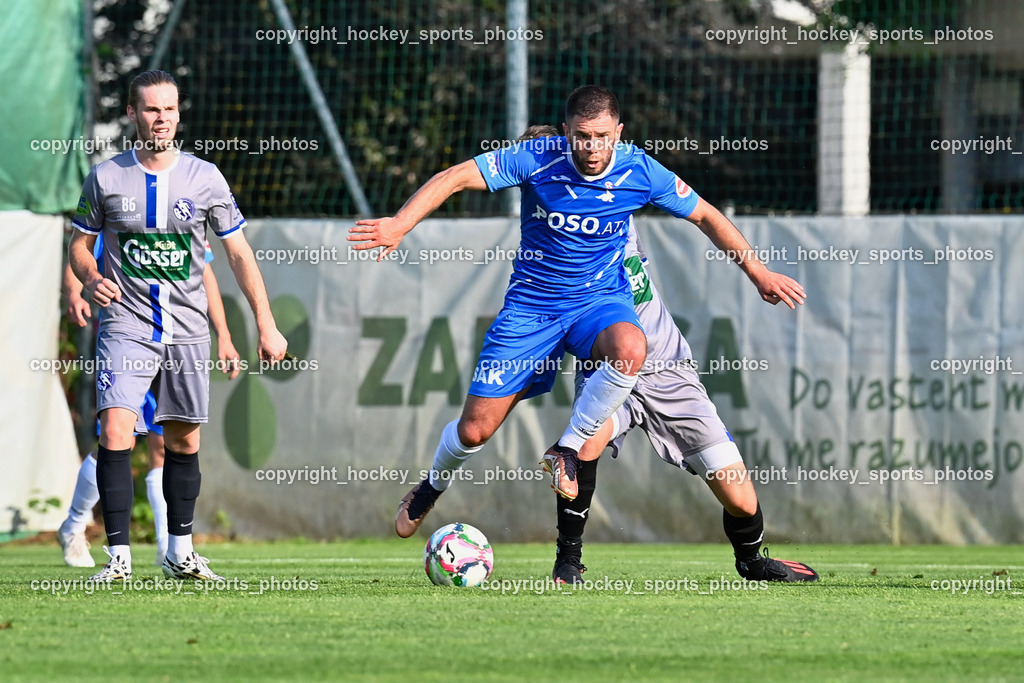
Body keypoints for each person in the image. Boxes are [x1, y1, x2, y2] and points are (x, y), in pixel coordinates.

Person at [348, 86, 804, 539]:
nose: (592, 147)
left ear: (618, 133)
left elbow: (705, 215)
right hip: (533, 309)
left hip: (598, 303)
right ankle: (432, 485)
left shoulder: (639, 170)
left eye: (602, 136)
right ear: (566, 133)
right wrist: (399, 224)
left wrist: (759, 273)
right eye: (582, 136)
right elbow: (455, 176)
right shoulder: (537, 157)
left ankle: (566, 451)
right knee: (474, 431)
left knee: (630, 345)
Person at [511, 125, 818, 585]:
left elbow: (706, 215)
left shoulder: (615, 191)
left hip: (667, 368)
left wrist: (757, 271)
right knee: (582, 445)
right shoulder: (544, 246)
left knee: (740, 498)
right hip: (609, 365)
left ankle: (753, 561)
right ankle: (567, 563)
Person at [68, 69, 287, 582]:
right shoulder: (105, 177)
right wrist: (91, 275)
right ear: (132, 113)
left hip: (187, 330)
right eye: (150, 109)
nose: (161, 118)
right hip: (125, 323)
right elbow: (78, 246)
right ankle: (118, 559)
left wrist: (265, 322)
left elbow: (236, 253)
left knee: (183, 443)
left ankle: (179, 552)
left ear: (178, 114)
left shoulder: (206, 177)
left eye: (169, 109)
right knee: (116, 429)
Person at [57, 246, 240, 568]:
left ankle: (167, 547)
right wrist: (75, 293)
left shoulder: (180, 211)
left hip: (175, 340)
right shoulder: (117, 205)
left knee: (164, 444)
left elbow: (204, 272)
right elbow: (79, 252)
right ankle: (74, 525)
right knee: (117, 440)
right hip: (126, 342)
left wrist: (223, 333)